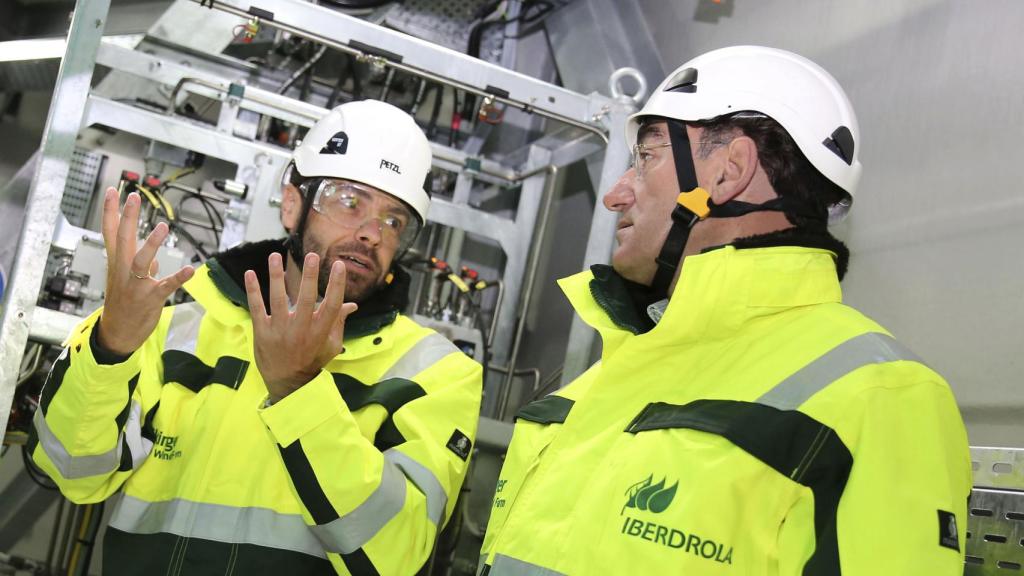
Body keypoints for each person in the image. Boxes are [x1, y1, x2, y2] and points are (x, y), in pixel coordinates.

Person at [479, 46, 971, 575]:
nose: (616, 194)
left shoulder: (882, 398)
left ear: (728, 172)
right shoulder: (605, 378)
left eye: (647, 158)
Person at [30, 100, 483, 576]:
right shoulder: (177, 328)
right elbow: (72, 472)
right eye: (350, 202)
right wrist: (109, 349)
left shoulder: (435, 373)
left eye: (394, 221)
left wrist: (300, 392)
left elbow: (395, 554)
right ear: (293, 204)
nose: (372, 234)